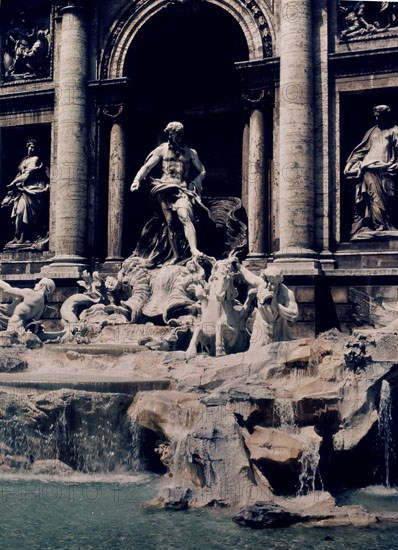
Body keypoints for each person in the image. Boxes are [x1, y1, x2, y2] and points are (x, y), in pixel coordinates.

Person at [130, 122, 207, 264]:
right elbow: (147, 167)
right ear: (169, 134)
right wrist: (137, 180)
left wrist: (194, 182)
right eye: (173, 133)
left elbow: (202, 171)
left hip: (181, 190)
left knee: (184, 216)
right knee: (170, 224)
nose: (176, 136)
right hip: (164, 190)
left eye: (178, 133)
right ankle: (177, 255)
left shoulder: (191, 152)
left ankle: (194, 249)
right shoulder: (161, 150)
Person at [344, 105, 398, 238]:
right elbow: (361, 150)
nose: (377, 118)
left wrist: (394, 165)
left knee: (388, 197)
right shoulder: (372, 131)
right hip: (368, 169)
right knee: (373, 197)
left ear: (386, 115)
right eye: (375, 116)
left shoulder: (394, 130)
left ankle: (388, 224)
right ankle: (379, 225)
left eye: (379, 116)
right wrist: (351, 164)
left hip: (386, 169)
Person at [1, 138, 50, 246]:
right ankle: (19, 237)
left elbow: (27, 174)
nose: (31, 148)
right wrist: (12, 188)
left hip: (33, 189)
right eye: (30, 146)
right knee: (19, 213)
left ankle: (28, 238)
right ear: (27, 147)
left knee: (26, 214)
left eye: (34, 147)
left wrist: (12, 183)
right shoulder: (24, 160)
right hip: (22, 191)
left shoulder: (36, 159)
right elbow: (19, 175)